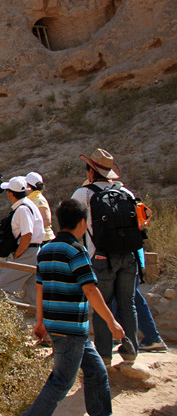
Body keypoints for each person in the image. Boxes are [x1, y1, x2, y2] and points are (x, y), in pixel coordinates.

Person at [17, 199, 125, 416]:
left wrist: (40, 320)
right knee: (61, 381)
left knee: (96, 371)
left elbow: (40, 287)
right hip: (71, 328)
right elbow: (91, 290)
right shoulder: (76, 251)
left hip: (61, 326)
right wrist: (111, 322)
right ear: (83, 222)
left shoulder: (46, 250)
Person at [71, 148, 140, 366]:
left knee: (103, 305)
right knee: (128, 303)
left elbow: (71, 221)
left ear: (91, 171)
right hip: (128, 256)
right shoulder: (126, 192)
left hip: (100, 257)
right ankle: (130, 352)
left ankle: (104, 355)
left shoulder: (84, 194)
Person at [0, 176, 45, 306]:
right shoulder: (29, 205)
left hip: (27, 252)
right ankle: (43, 322)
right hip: (34, 251)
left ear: (11, 194)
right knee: (35, 291)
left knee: (3, 287)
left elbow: (27, 234)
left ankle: (15, 322)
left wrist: (18, 254)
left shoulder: (22, 209)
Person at [25, 172, 55, 243]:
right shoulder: (31, 199)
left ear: (29, 186)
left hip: (44, 239)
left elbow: (46, 221)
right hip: (38, 239)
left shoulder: (38, 199)